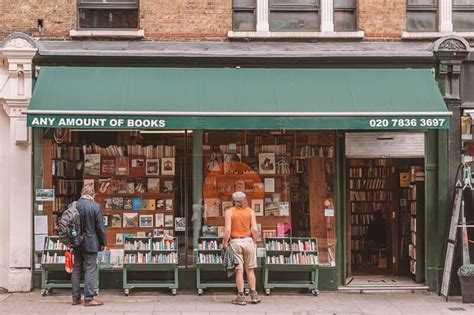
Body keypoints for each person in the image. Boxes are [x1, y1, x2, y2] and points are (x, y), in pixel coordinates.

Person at [223, 191, 261, 306]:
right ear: (245, 199)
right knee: (250, 269)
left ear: (234, 201)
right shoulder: (250, 211)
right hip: (248, 241)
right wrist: (253, 241)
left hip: (235, 242)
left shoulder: (229, 212)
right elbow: (254, 230)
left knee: (239, 271)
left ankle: (241, 297)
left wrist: (224, 242)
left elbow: (228, 230)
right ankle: (254, 295)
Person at [72, 183, 106, 306]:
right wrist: (103, 242)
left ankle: (76, 298)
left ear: (82, 193)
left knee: (76, 269)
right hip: (91, 243)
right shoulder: (95, 206)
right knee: (90, 270)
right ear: (92, 194)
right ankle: (88, 298)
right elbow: (100, 227)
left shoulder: (74, 205)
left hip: (76, 242)